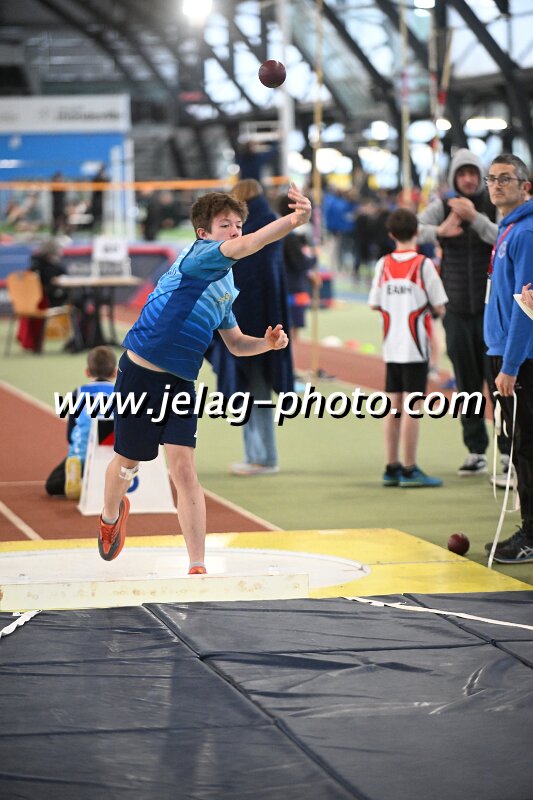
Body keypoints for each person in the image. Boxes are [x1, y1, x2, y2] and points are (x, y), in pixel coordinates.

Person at [98, 183, 312, 574]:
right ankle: (110, 516)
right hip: (140, 374)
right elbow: (252, 244)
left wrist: (266, 344)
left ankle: (197, 563)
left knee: (184, 471)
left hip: (180, 384)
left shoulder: (226, 285)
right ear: (204, 233)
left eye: (238, 224)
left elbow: (236, 344)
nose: (235, 230)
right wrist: (295, 220)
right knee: (128, 462)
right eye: (225, 225)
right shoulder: (199, 257)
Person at [418, 148, 511, 478]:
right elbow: (410, 230)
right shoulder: (441, 207)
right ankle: (475, 451)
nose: (468, 179)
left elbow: (506, 237)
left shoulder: (494, 204)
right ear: (454, 178)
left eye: (473, 173)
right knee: (466, 384)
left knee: (499, 383)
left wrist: (475, 218)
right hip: (456, 310)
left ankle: (508, 452)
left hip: (492, 312)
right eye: (462, 174)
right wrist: (440, 231)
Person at [207, 178, 294, 476]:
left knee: (254, 389)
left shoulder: (250, 232)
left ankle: (265, 457)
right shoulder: (265, 226)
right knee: (251, 390)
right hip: (261, 319)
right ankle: (255, 454)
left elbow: (248, 281)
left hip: (249, 322)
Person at [369, 208, 448, 488]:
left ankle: (391, 466)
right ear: (417, 232)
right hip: (416, 347)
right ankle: (410, 469)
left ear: (391, 235)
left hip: (392, 346)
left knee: (393, 406)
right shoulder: (423, 264)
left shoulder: (383, 264)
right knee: (413, 408)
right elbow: (440, 306)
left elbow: (374, 303)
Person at [483, 154, 533, 563]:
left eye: (505, 178)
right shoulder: (508, 228)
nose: (496, 185)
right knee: (518, 446)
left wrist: (511, 365)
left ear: (525, 186)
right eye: (492, 179)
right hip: (501, 351)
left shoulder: (526, 233)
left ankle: (531, 535)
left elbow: (526, 306)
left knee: (527, 448)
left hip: (520, 359)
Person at [45, 346, 117, 500]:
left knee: (52, 484)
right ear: (115, 372)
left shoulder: (77, 393)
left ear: (87, 372)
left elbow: (70, 433)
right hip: (114, 456)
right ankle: (102, 481)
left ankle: (82, 476)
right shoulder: (122, 393)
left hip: (83, 454)